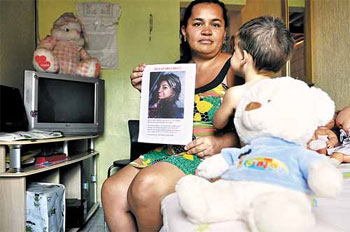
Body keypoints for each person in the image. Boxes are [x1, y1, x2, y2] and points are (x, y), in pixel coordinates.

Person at [101, 1, 241, 231]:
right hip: (172, 150)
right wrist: (147, 91)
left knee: (146, 186)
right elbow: (166, 118)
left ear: (224, 32)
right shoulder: (176, 71)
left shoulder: (235, 67)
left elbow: (255, 126)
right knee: (111, 189)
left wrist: (220, 142)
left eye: (215, 24)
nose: (207, 31)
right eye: (198, 23)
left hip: (209, 156)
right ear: (184, 31)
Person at [213, 16, 295, 130]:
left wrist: (223, 102)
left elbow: (217, 124)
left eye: (235, 50)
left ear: (243, 57)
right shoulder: (285, 90)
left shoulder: (236, 93)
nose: (232, 54)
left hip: (252, 148)